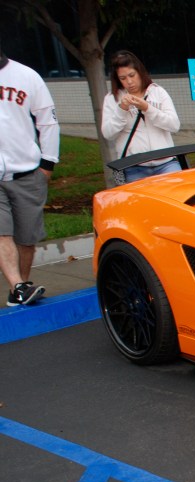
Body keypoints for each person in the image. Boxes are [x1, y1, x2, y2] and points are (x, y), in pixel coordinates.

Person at [0, 42, 59, 307]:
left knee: (27, 238)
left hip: (26, 171)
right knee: (2, 232)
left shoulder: (27, 76)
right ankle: (18, 285)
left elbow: (47, 121)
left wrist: (48, 164)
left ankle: (19, 289)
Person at [101, 51, 181, 183]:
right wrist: (121, 109)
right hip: (134, 167)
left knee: (176, 197)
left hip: (166, 162)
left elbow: (174, 125)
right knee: (141, 203)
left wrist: (147, 108)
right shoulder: (112, 98)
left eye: (132, 75)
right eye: (123, 78)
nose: (129, 82)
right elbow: (108, 133)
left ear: (140, 72)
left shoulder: (157, 91)